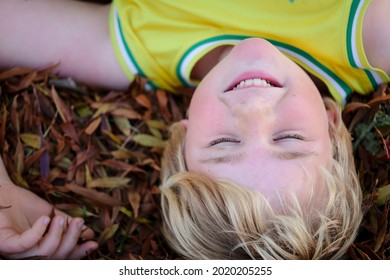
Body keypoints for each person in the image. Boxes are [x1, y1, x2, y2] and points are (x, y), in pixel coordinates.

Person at [0, 0, 388, 259]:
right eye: (289, 138)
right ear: (332, 122)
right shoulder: (365, 36)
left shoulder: (135, 48)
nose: (254, 110)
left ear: (182, 138)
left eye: (224, 142)